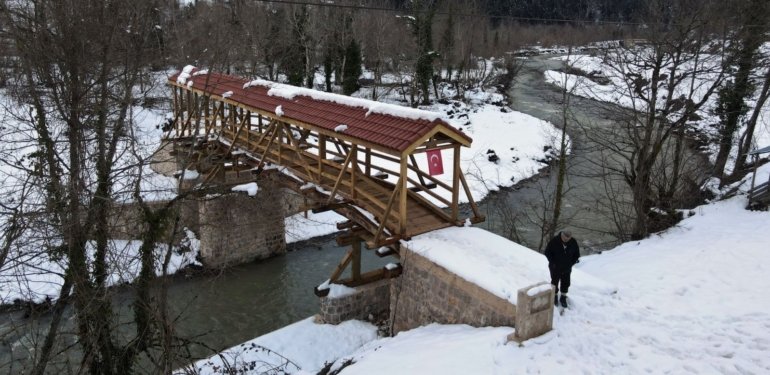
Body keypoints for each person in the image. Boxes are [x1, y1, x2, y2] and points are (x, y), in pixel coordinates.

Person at [544, 230, 580, 308]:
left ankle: (563, 297)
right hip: (555, 267)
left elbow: (577, 254)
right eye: (565, 237)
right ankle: (555, 296)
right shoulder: (554, 241)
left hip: (567, 267)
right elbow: (547, 252)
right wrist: (553, 263)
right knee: (554, 281)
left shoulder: (573, 242)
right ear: (562, 234)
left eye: (568, 238)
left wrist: (571, 263)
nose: (566, 239)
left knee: (566, 282)